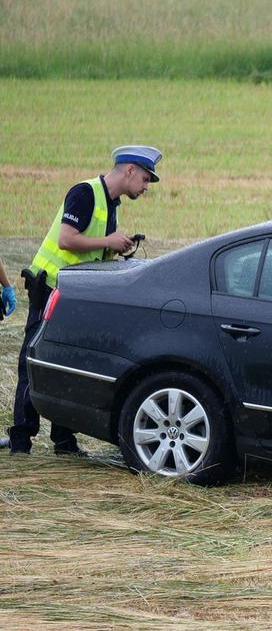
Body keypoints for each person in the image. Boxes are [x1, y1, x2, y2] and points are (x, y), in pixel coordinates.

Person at [8, 145, 161, 456]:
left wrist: (116, 248)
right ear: (129, 170)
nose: (146, 187)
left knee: (68, 365)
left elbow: (91, 251)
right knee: (33, 364)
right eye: (145, 179)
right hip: (50, 289)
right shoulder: (85, 193)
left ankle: (64, 442)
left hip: (74, 295)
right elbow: (67, 239)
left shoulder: (111, 204)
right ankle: (20, 441)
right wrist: (108, 240)